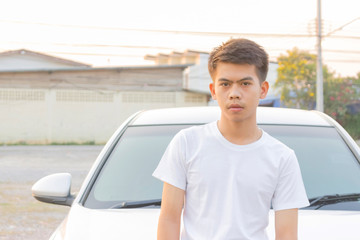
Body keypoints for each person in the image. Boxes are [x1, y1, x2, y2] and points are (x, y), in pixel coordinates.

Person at [152, 38, 309, 240]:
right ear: (213, 90)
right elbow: (169, 219)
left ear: (263, 89)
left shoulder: (282, 157)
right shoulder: (186, 143)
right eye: (225, 84)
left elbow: (287, 234)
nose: (234, 94)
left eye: (245, 83)